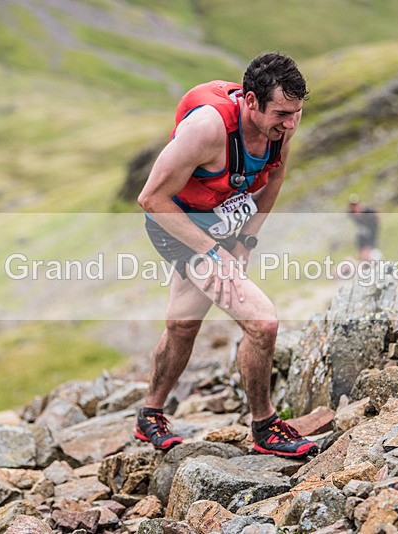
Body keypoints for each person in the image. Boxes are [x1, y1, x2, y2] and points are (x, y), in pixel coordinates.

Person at [135, 52, 318, 458]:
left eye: (296, 113)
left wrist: (245, 241)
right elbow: (151, 199)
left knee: (183, 324)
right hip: (178, 226)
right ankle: (265, 425)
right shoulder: (206, 130)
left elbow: (276, 175)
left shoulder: (284, 118)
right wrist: (214, 253)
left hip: (224, 223)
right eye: (283, 114)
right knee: (263, 322)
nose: (290, 124)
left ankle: (149, 413)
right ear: (251, 102)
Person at [348, 194, 380, 262]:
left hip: (370, 234)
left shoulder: (367, 211)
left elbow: (376, 216)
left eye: (355, 205)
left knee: (369, 253)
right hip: (362, 234)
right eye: (352, 206)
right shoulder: (351, 214)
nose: (354, 207)